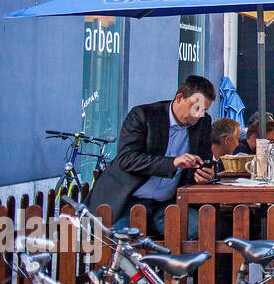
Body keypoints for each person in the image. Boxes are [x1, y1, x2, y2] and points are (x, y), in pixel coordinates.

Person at [88, 76, 217, 234]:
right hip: (128, 201)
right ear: (179, 98)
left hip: (167, 204)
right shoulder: (143, 115)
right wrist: (172, 163)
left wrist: (204, 174)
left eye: (203, 110)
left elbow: (205, 158)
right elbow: (126, 159)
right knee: (120, 242)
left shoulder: (203, 123)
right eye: (195, 107)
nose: (198, 115)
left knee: (205, 228)